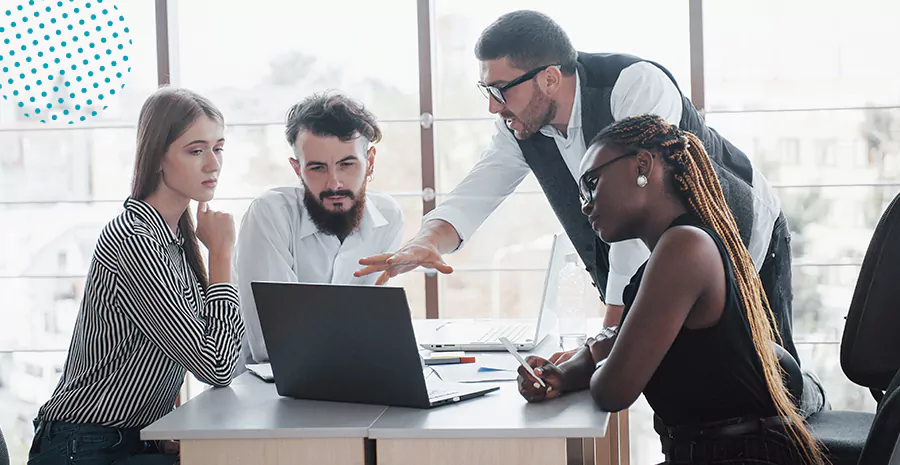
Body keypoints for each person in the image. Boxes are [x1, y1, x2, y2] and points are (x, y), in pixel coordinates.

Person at [355, 9, 827, 416]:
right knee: (688, 387)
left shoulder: (633, 85)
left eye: (501, 89)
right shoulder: (522, 126)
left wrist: (606, 334)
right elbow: (482, 185)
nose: (495, 107)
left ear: (550, 77)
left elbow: (633, 215)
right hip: (665, 270)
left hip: (744, 239)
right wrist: (427, 239)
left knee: (769, 392)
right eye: (487, 92)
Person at [517, 114, 823, 464]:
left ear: (642, 165)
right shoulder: (668, 254)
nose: (584, 203)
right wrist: (559, 375)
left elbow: (613, 390)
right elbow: (619, 346)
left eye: (591, 183)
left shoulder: (684, 248)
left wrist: (601, 353)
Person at [27, 87, 244, 464]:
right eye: (196, 150)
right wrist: (222, 254)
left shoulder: (174, 238)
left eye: (218, 148)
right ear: (158, 157)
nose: (213, 164)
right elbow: (218, 366)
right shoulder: (135, 240)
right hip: (83, 448)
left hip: (129, 441)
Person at [235, 92, 404, 364]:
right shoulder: (269, 215)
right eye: (317, 168)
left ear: (370, 161)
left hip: (350, 374)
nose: (334, 183)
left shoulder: (388, 216)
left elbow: (374, 325)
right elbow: (272, 342)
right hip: (264, 389)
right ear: (297, 168)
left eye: (347, 164)